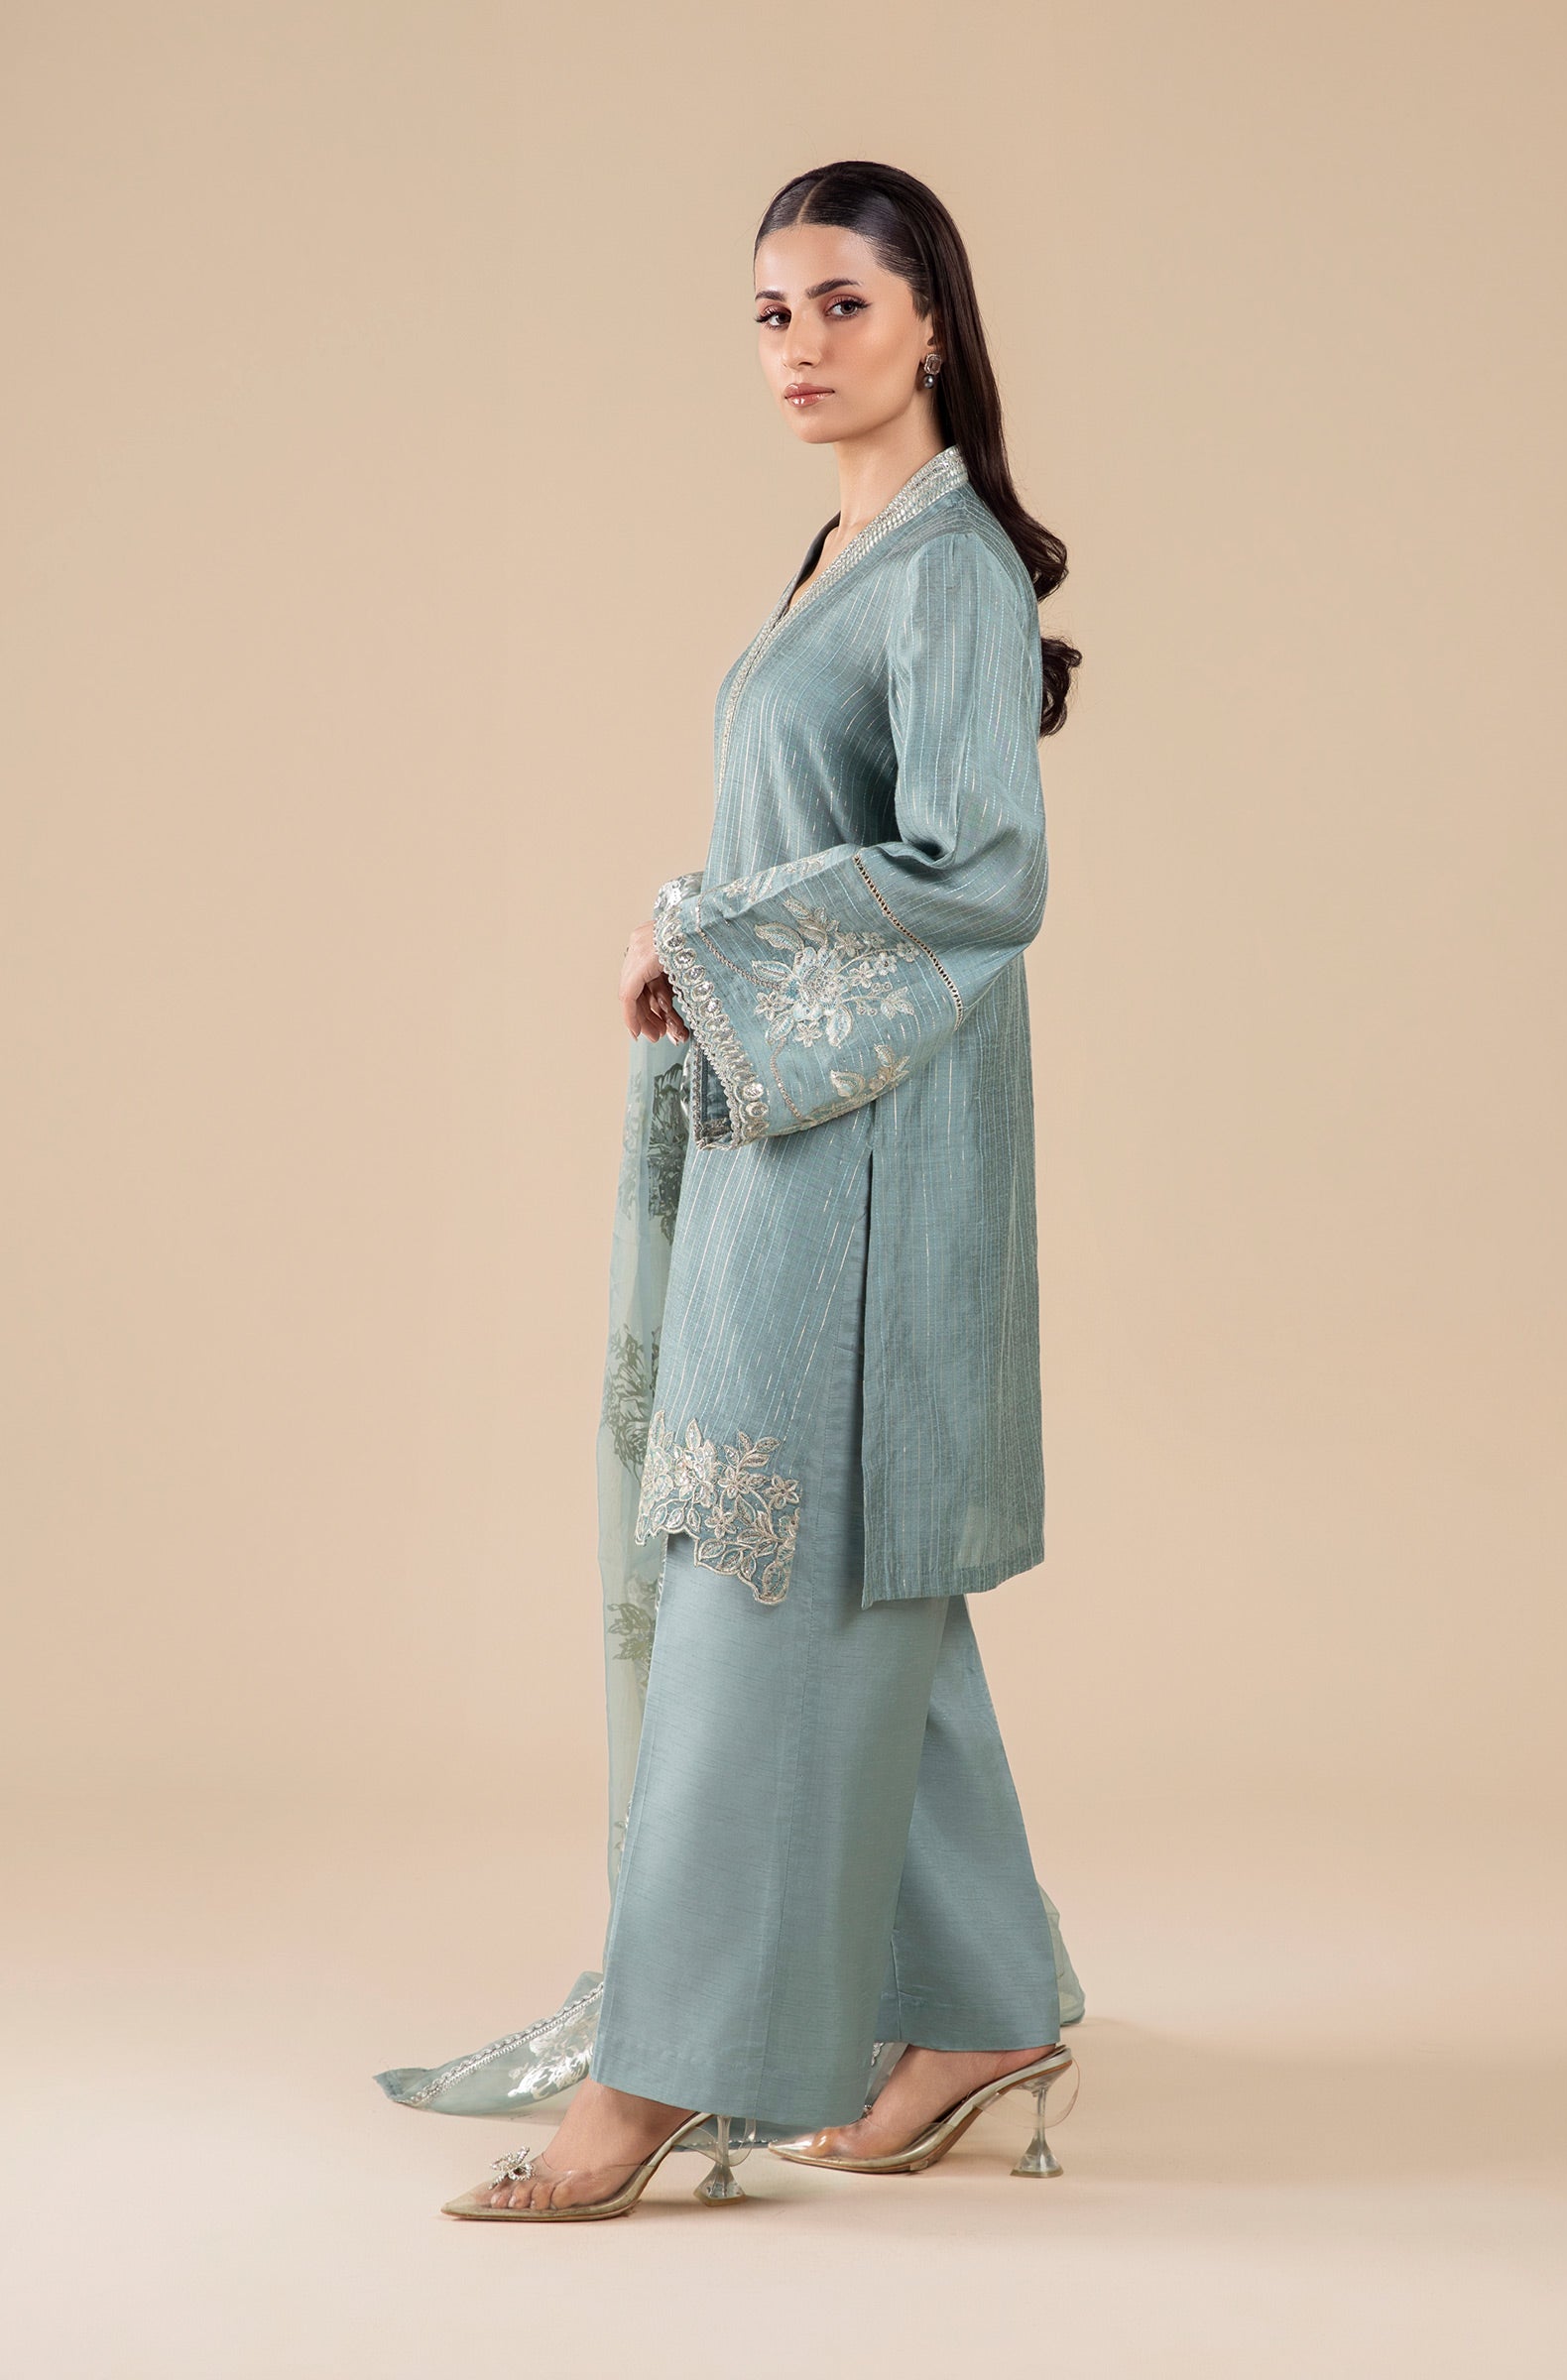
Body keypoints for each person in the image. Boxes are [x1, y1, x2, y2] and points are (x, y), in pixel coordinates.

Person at [442, 158, 1086, 2222]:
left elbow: (984, 871)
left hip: (864, 1166)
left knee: (759, 1588)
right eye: (769, 314)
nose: (798, 349)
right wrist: (706, 945)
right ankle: (979, 2014)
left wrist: (709, 939)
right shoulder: (843, 548)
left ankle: (660, 2074)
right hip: (792, 1126)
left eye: (839, 306)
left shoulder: (949, 569)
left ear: (930, 321)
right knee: (861, 1589)